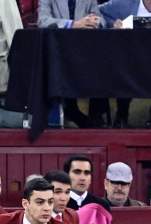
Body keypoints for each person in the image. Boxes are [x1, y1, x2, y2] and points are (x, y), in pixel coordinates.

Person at [97, 0, 151, 128]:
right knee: (125, 68)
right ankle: (122, 114)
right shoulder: (123, 2)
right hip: (129, 57)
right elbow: (98, 11)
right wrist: (112, 23)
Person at [36, 0, 107, 128]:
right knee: (64, 64)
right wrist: (72, 24)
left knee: (103, 59)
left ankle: (96, 114)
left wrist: (95, 22)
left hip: (86, 49)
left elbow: (101, 19)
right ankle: (71, 110)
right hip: (59, 50)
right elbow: (43, 20)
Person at [64, 155, 113, 224]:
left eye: (87, 173)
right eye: (77, 172)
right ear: (66, 176)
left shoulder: (101, 204)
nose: (82, 178)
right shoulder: (58, 203)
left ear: (90, 178)